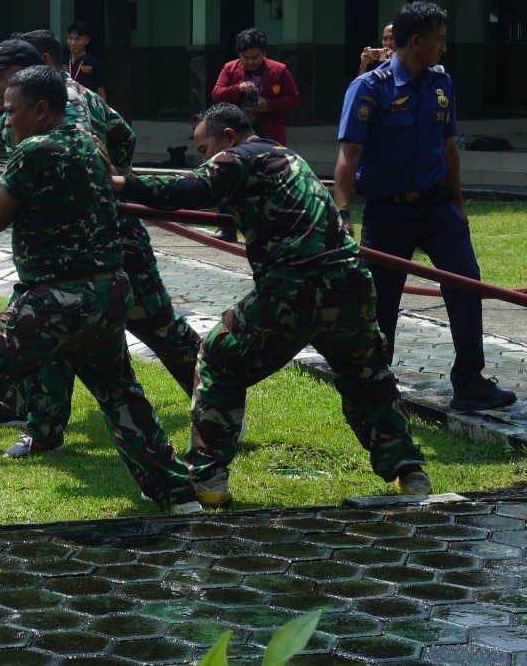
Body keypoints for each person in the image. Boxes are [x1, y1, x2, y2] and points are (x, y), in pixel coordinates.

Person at [0, 66, 197, 531]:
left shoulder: (34, 150)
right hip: (108, 291)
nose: (7, 122)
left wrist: (10, 181)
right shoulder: (88, 142)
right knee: (118, 390)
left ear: (42, 110)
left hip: (58, 299)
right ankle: (176, 491)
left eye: (12, 112)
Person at [116, 103, 430, 508]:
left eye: (203, 149)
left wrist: (120, 183)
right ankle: (409, 469)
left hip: (295, 286)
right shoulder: (288, 156)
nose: (203, 159)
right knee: (366, 374)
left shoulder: (237, 157)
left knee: (218, 356)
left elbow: (187, 190)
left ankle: (207, 476)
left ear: (228, 137)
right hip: (351, 283)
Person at [333, 1, 516, 413]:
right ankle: (378, 384)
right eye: (440, 39)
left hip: (435, 207)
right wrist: (343, 213)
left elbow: (449, 148)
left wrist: (458, 206)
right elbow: (349, 154)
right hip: (387, 212)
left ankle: (469, 382)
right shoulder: (370, 87)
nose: (444, 47)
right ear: (417, 41)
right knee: (382, 302)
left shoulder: (441, 82)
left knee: (466, 281)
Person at [212, 28, 299, 145]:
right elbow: (216, 95)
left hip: (270, 133)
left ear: (264, 53)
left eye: (255, 57)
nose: (250, 62)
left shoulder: (279, 70)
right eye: (245, 57)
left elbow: (293, 98)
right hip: (237, 133)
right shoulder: (229, 68)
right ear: (239, 54)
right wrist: (238, 88)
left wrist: (268, 105)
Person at [66, 20, 107, 97]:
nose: (73, 43)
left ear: (87, 40)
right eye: (70, 38)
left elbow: (101, 94)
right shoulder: (61, 61)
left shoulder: (95, 64)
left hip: (87, 104)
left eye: (77, 39)